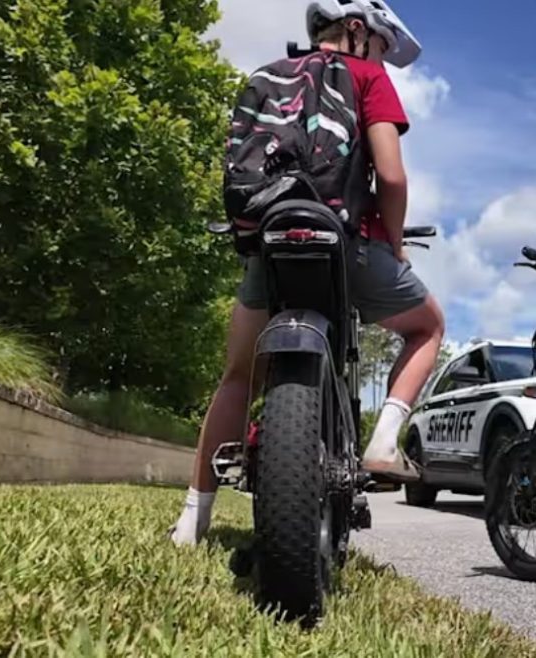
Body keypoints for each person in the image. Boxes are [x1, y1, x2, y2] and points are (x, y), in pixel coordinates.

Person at [169, 0, 444, 546]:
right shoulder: (365, 75)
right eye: (384, 49)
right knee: (428, 327)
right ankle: (385, 441)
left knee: (238, 377)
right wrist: (393, 240)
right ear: (358, 31)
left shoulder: (266, 74)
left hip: (269, 240)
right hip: (346, 241)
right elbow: (390, 176)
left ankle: (192, 520)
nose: (383, 60)